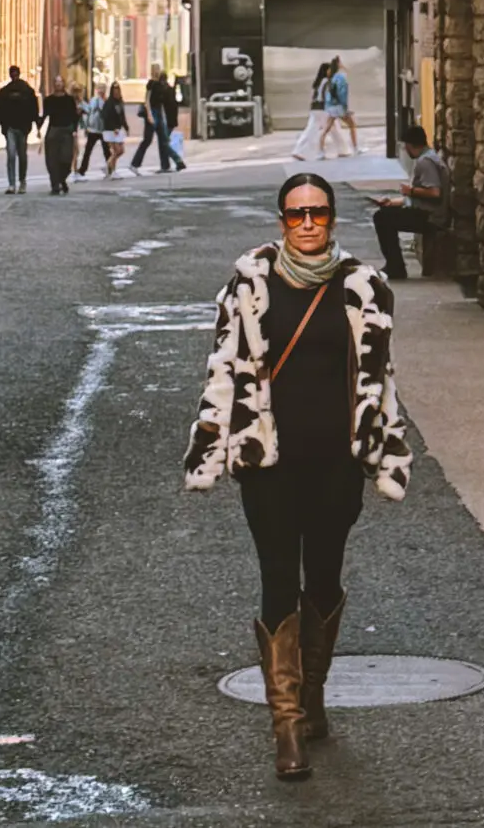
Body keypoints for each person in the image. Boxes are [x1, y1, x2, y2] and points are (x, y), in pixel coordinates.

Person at [185, 171, 411, 781]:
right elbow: (224, 373)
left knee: (327, 576)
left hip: (336, 463)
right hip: (270, 465)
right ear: (280, 219)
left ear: (333, 217)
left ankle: (312, 697)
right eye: (295, 214)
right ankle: (286, 725)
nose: (307, 223)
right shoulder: (248, 288)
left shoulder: (364, 288)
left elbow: (379, 380)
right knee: (279, 577)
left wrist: (382, 448)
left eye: (318, 213)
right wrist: (213, 444)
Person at [370, 125, 452, 281]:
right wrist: (391, 202)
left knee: (382, 219)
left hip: (430, 217)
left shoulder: (425, 162)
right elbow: (418, 199)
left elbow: (435, 192)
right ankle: (395, 265)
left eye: (405, 146)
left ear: (410, 145)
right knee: (385, 214)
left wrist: (411, 191)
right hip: (426, 211)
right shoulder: (428, 158)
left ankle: (396, 267)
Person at [0, 66, 41, 195]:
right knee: (15, 155)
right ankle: (14, 183)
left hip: (17, 128)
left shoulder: (6, 92)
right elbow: (33, 110)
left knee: (18, 156)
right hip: (16, 128)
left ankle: (19, 182)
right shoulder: (26, 91)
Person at [131, 65, 186, 173]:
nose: (157, 72)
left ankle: (171, 164)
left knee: (163, 140)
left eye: (158, 69)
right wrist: (149, 115)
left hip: (159, 114)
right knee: (147, 140)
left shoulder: (161, 85)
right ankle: (134, 164)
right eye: (155, 70)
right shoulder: (151, 83)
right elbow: (146, 100)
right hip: (152, 113)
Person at [42, 83, 80, 194]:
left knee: (67, 158)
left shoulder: (69, 100)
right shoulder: (49, 100)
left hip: (67, 130)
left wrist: (75, 130)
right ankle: (55, 185)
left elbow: (74, 116)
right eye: (56, 83)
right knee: (52, 159)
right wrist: (38, 126)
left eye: (60, 83)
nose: (58, 85)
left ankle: (61, 179)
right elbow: (45, 115)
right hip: (53, 130)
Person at [292, 62, 333, 163]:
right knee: (320, 131)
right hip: (323, 109)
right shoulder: (327, 82)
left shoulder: (318, 82)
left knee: (311, 130)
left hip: (315, 108)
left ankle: (299, 150)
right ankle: (319, 152)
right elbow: (326, 96)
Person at [319, 58, 358, 158]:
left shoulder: (331, 77)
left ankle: (321, 150)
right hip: (339, 106)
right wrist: (345, 107)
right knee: (352, 125)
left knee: (326, 129)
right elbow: (342, 94)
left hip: (331, 106)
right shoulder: (340, 77)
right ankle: (356, 148)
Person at [99, 80, 130, 176]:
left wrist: (126, 127)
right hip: (110, 130)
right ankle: (112, 170)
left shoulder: (120, 102)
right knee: (116, 151)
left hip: (118, 129)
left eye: (118, 90)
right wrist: (113, 128)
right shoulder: (109, 103)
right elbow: (104, 116)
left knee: (121, 151)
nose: (116, 92)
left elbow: (122, 116)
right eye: (114, 90)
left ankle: (108, 166)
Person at [77, 86, 107, 174]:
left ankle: (110, 167)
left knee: (106, 151)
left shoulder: (106, 101)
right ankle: (83, 169)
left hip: (102, 130)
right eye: (99, 89)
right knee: (87, 151)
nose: (101, 91)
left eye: (103, 89)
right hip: (93, 130)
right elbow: (89, 110)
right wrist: (81, 103)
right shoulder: (94, 100)